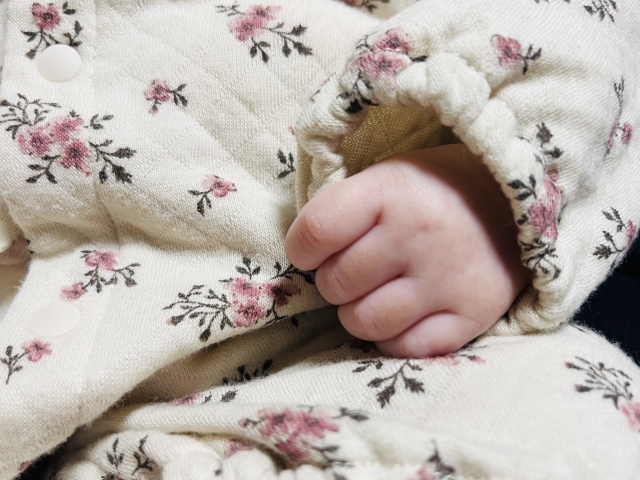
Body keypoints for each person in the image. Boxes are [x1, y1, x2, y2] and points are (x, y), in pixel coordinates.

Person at [1, 0, 638, 478]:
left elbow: (590, 23)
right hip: (95, 418)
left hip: (335, 364)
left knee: (575, 425)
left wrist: (483, 177)